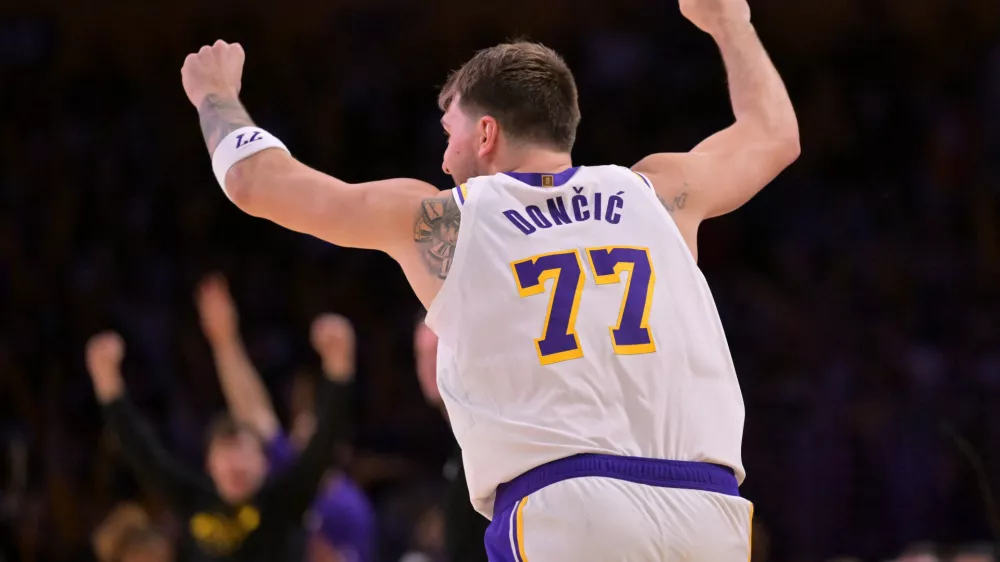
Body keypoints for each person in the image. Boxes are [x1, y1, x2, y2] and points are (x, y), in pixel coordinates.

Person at [179, 0, 799, 557]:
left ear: (485, 132)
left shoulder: (447, 220)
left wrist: (216, 95)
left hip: (569, 508)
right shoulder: (659, 193)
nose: (443, 158)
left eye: (448, 135)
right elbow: (774, 136)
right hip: (709, 511)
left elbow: (257, 183)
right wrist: (730, 23)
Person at [85, 322, 352, 562]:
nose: (235, 465)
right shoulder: (194, 499)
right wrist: (108, 386)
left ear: (264, 463)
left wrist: (338, 371)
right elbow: (147, 457)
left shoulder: (285, 499)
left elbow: (323, 443)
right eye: (225, 454)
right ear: (209, 464)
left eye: (244, 454)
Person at [194, 274, 376, 562]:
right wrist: (225, 341)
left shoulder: (347, 506)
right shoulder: (288, 468)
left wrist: (339, 370)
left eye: (315, 429)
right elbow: (253, 412)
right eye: (300, 425)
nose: (304, 431)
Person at [413, 320, 488, 562]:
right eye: (419, 355)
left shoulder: (487, 426)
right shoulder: (453, 436)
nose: (428, 364)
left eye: (436, 351)